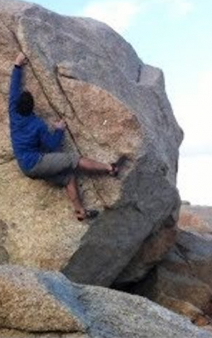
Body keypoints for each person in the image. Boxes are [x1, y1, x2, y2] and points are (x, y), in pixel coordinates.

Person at [8, 52, 126, 221]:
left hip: (25, 166)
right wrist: (59, 129)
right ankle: (110, 168)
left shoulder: (13, 112)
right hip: (36, 162)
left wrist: (17, 65)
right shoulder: (37, 124)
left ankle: (80, 212)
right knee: (73, 159)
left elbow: (13, 88)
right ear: (32, 107)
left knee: (68, 177)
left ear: (18, 105)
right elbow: (52, 146)